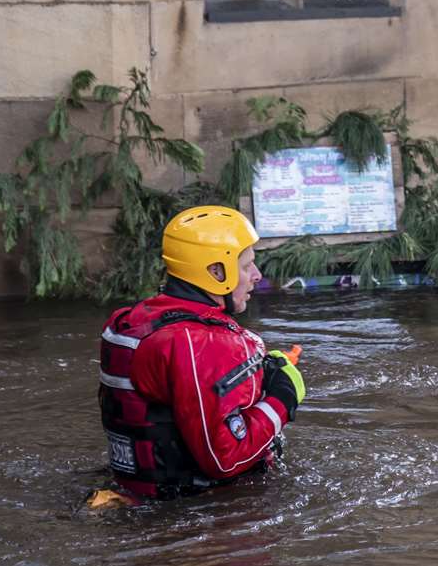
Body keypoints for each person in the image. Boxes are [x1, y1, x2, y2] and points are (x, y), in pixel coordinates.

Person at [97, 205, 306, 500]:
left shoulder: (133, 320)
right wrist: (283, 397)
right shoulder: (202, 343)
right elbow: (226, 458)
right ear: (216, 272)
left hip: (139, 492)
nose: (257, 275)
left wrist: (257, 375)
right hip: (199, 510)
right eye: (247, 266)